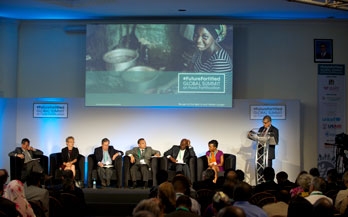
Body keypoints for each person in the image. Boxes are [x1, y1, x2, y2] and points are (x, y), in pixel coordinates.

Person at [157, 24, 232, 94]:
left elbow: (215, 94)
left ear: (214, 38)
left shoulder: (220, 62)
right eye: (196, 35)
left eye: (205, 36)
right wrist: (167, 85)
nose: (198, 41)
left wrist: (181, 91)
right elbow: (188, 71)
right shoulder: (200, 50)